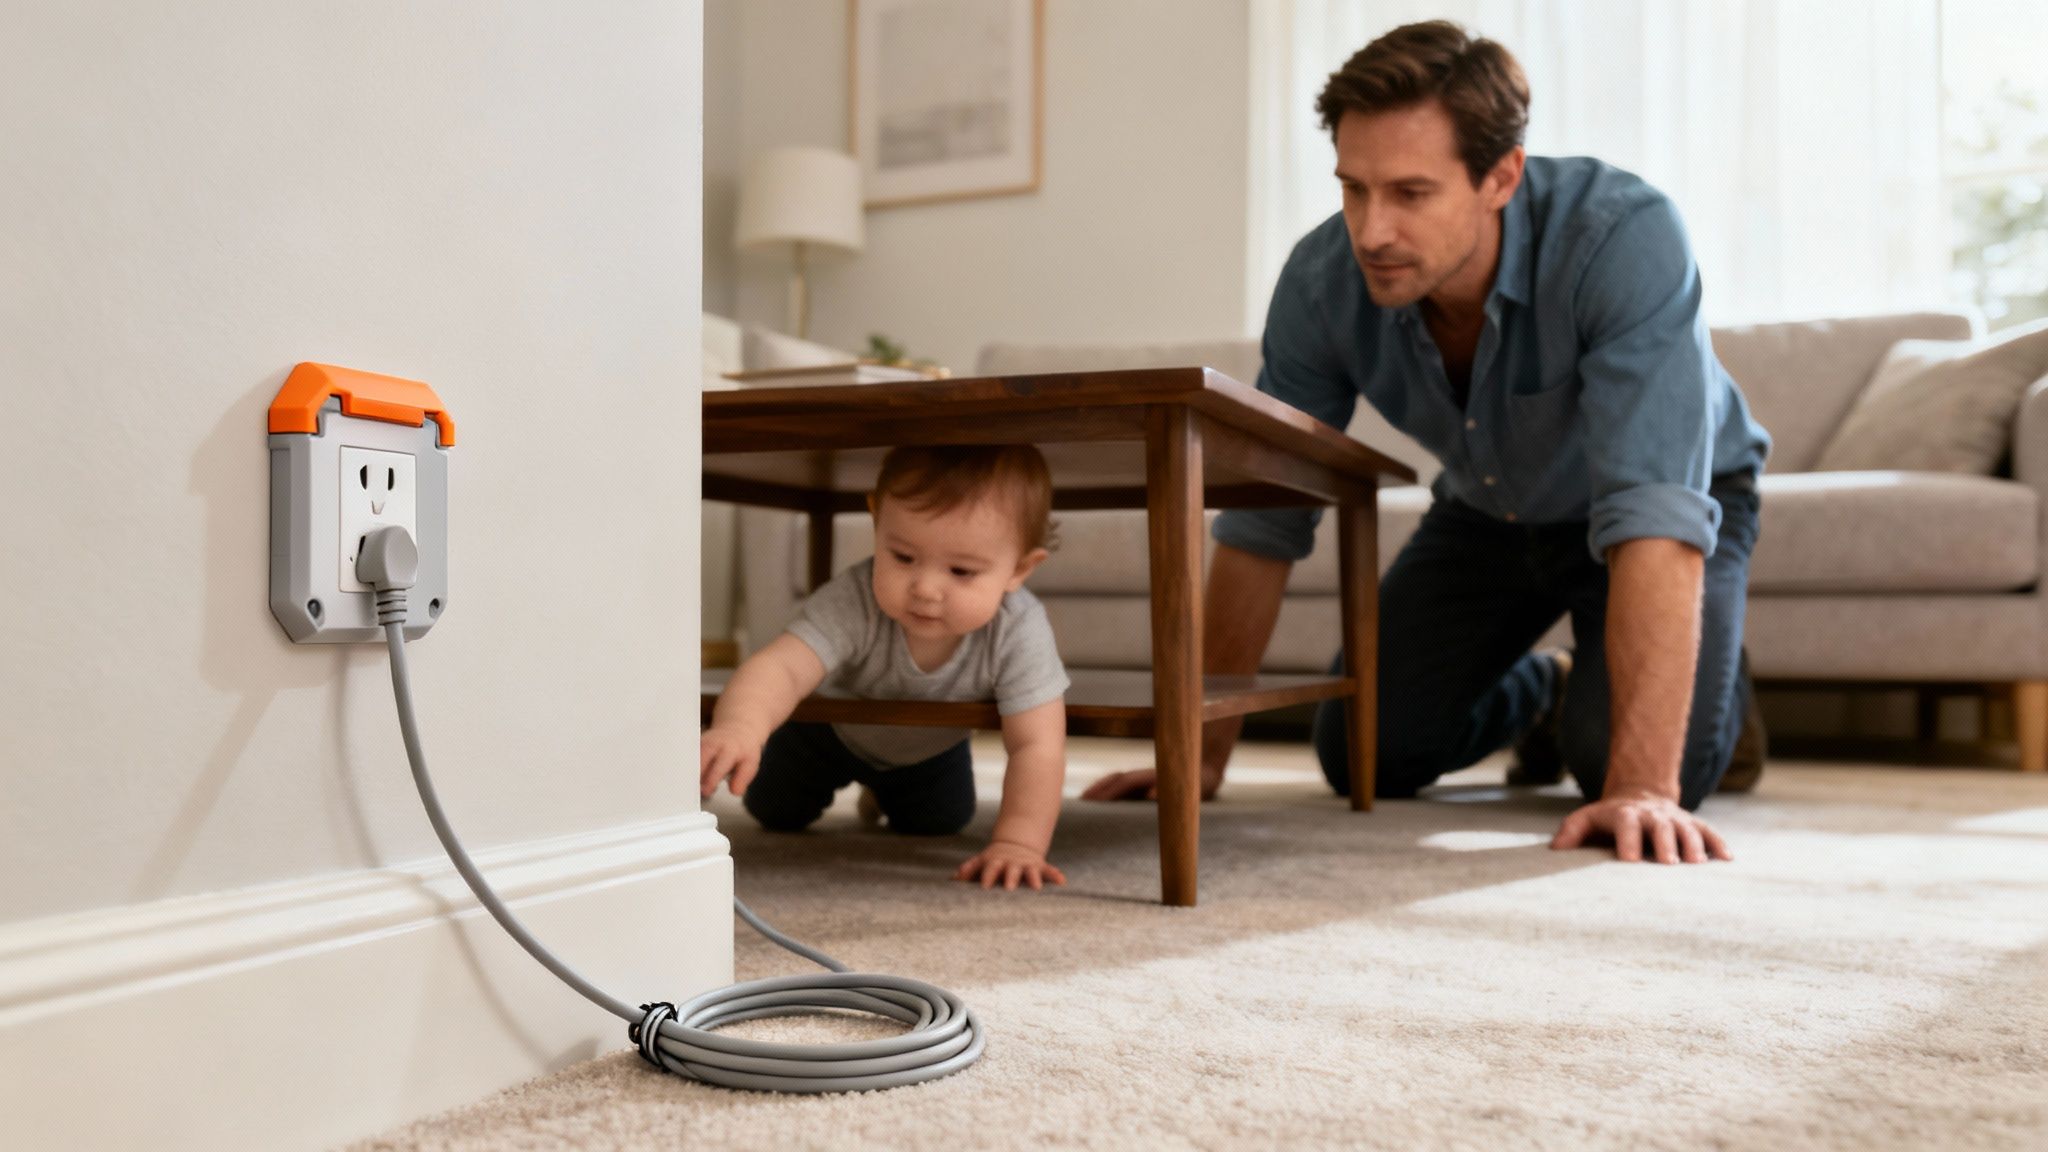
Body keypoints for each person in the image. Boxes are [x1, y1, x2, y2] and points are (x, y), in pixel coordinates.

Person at [1083, 21, 1772, 866]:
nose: (1372, 231)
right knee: (1363, 751)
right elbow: (1264, 519)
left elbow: (1653, 512)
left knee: (1622, 775)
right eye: (1354, 189)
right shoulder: (1320, 283)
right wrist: (1204, 753)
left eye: (1411, 193)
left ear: (1500, 177)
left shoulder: (1623, 238)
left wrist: (1643, 786)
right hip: (1489, 511)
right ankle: (1551, 685)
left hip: (1655, 512)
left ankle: (1706, 695)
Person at [700, 444, 1072, 891]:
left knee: (939, 822)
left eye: (961, 570)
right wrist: (741, 727)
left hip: (928, 751)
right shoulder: (855, 598)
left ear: (1020, 569)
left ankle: (882, 792)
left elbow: (1037, 743)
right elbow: (781, 667)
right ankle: (817, 776)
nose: (926, 588)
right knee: (776, 811)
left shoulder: (1019, 628)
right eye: (902, 557)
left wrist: (1020, 843)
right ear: (878, 523)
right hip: (824, 736)